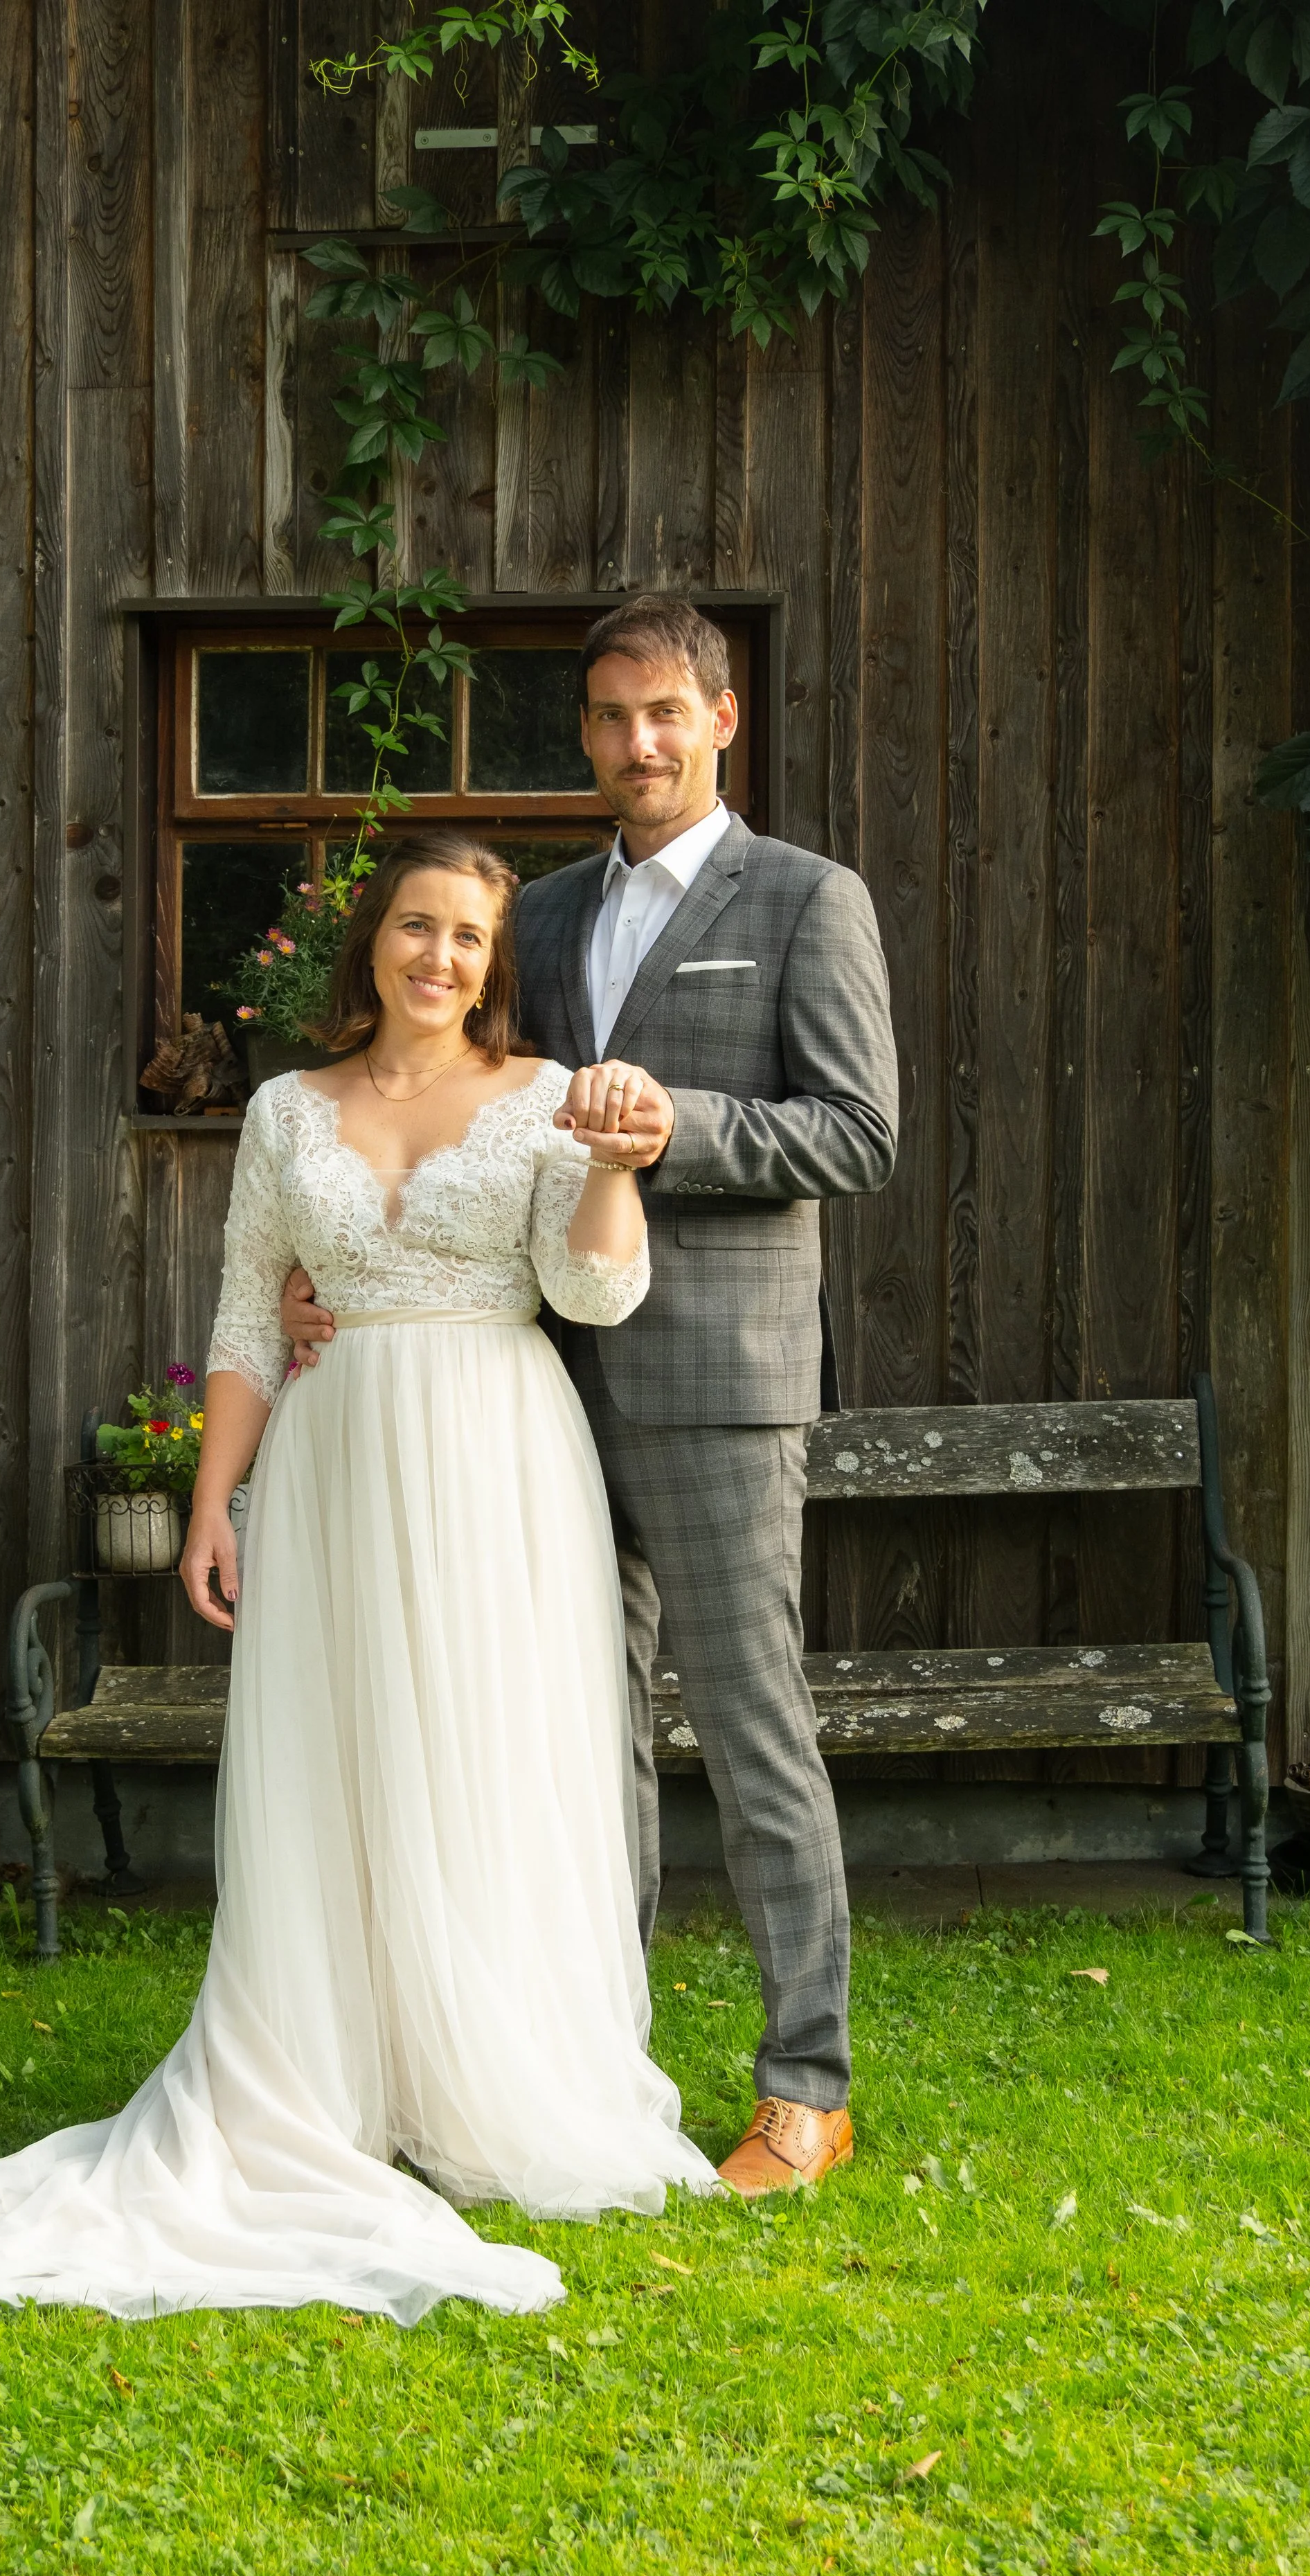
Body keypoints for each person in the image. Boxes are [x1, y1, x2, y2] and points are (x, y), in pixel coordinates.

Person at [0, 829, 719, 2327]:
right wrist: (214, 1504)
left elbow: (593, 1291)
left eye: (467, 939)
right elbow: (248, 1316)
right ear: (370, 941)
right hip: (323, 1464)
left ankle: (485, 2077)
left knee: (477, 1756)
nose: (438, 958)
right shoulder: (280, 1110)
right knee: (337, 1763)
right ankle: (331, 2070)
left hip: (492, 1453)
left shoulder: (538, 1106)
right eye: (414, 928)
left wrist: (609, 1173)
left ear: (494, 968)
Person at [282, 596, 898, 2199]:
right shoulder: (538, 917)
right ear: (587, 733)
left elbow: (854, 1134)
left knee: (754, 1731)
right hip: (538, 1392)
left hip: (714, 1384)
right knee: (576, 1737)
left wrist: (667, 1128)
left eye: (666, 715)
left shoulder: (806, 902)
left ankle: (802, 2087)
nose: (638, 743)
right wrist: (346, 1264)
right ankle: (585, 2068)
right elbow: (466, 1119)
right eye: (612, 717)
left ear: (721, 718)